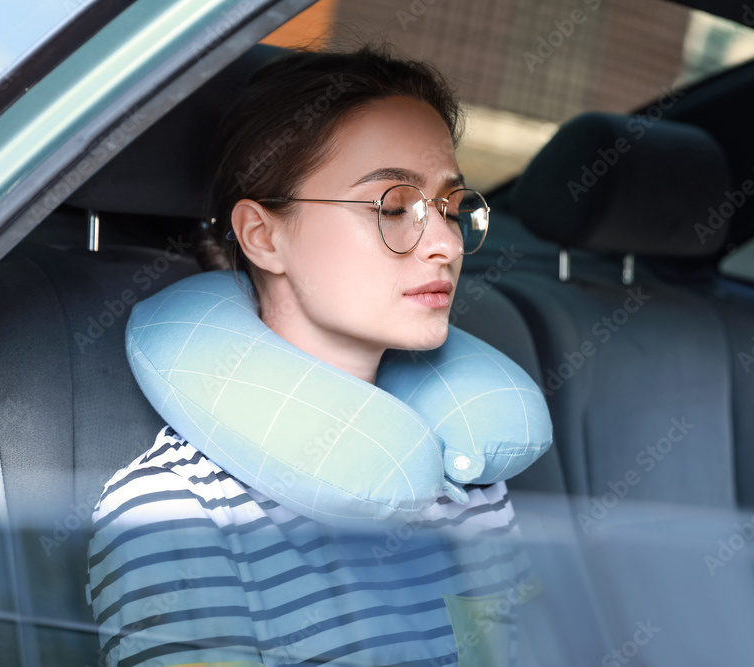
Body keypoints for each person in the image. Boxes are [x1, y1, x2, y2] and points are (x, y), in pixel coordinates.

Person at [87, 43, 533, 666]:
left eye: (451, 207)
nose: (445, 245)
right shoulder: (175, 511)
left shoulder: (468, 479)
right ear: (263, 236)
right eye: (394, 206)